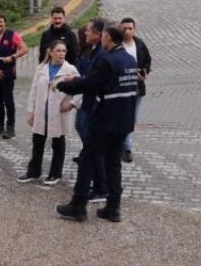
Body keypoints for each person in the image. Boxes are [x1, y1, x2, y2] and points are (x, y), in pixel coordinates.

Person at [53, 23, 138, 222]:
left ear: (108, 38)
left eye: (103, 37)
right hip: (124, 122)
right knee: (113, 164)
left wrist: (62, 84)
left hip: (105, 121)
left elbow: (88, 84)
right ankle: (113, 208)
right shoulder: (129, 59)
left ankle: (78, 206)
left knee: (87, 160)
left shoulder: (107, 60)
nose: (101, 40)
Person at [18, 40, 80, 185]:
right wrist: (31, 111)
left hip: (59, 114)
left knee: (58, 144)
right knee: (37, 143)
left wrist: (71, 104)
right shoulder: (41, 68)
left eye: (64, 51)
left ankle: (55, 173)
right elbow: (33, 91)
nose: (61, 54)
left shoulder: (70, 70)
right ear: (50, 52)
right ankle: (34, 172)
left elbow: (81, 90)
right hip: (41, 113)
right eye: (58, 50)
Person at [70, 18, 109, 202]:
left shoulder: (101, 54)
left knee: (94, 149)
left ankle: (101, 187)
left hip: (94, 107)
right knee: (90, 146)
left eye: (88, 31)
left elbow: (92, 81)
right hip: (88, 103)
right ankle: (99, 183)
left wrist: (70, 84)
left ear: (98, 34)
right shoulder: (95, 51)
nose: (85, 34)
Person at [0, 14, 28, 139]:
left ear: (5, 22)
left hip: (8, 73)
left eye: (1, 21)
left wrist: (13, 57)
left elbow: (24, 48)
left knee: (8, 100)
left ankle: (11, 128)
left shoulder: (12, 35)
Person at [120, 17, 152, 163]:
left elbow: (147, 60)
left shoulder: (139, 44)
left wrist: (144, 72)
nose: (127, 31)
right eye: (124, 28)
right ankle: (126, 148)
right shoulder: (117, 46)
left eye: (130, 28)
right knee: (124, 118)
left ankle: (122, 144)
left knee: (132, 119)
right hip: (121, 89)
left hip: (137, 88)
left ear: (134, 29)